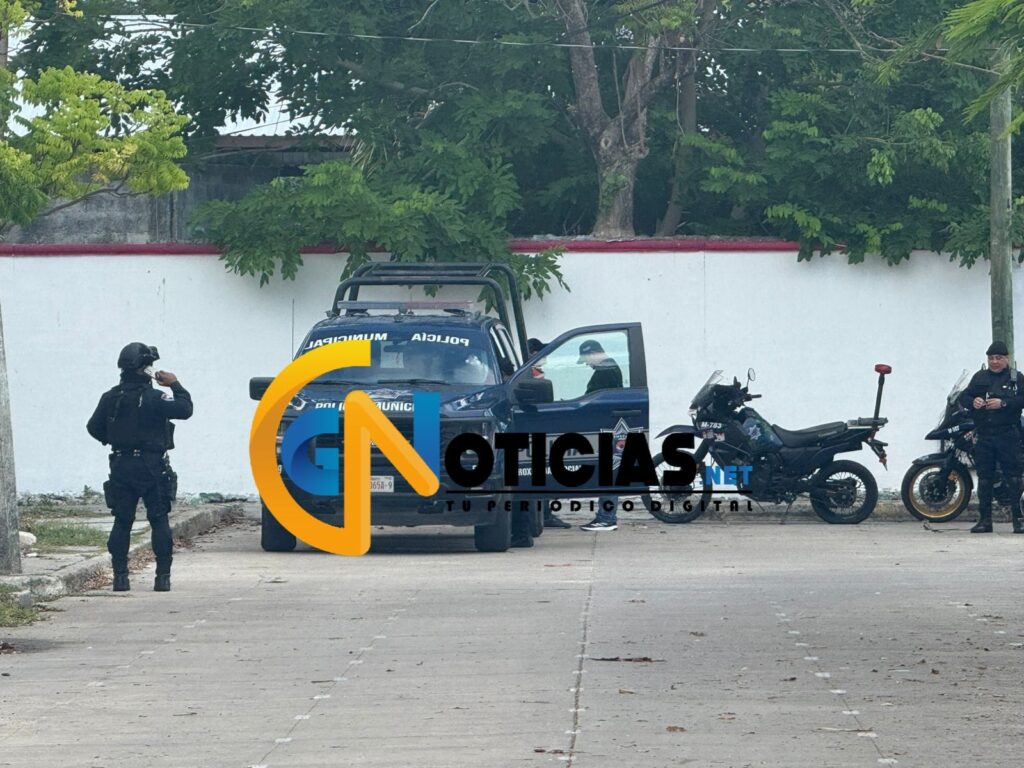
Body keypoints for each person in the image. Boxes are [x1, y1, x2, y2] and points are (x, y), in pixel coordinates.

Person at [87, 343, 194, 591]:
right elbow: (185, 409)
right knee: (158, 519)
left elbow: (93, 427)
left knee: (122, 521)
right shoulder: (155, 398)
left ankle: (120, 578)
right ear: (146, 369)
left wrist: (115, 438)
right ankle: (162, 578)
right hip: (151, 465)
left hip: (121, 463)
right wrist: (175, 384)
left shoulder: (110, 397)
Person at [958, 341, 1024, 534]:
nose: (994, 361)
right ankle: (985, 521)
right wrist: (974, 401)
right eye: (991, 358)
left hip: (1008, 434)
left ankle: (1018, 520)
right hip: (985, 434)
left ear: (1006, 359)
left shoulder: (1016, 378)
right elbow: (964, 397)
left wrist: (1003, 404)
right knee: (985, 478)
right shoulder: (979, 377)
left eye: (998, 358)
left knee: (1013, 477)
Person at [576, 339, 624, 532]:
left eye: (586, 359)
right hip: (609, 426)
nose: (587, 364)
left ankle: (606, 518)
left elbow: (592, 400)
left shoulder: (605, 371)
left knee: (607, 472)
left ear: (593, 353)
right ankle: (606, 517)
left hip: (607, 427)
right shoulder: (610, 367)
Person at [524, 338, 570, 530]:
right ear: (533, 354)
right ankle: (544, 515)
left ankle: (543, 514)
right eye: (540, 353)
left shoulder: (528, 372)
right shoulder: (530, 373)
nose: (544, 358)